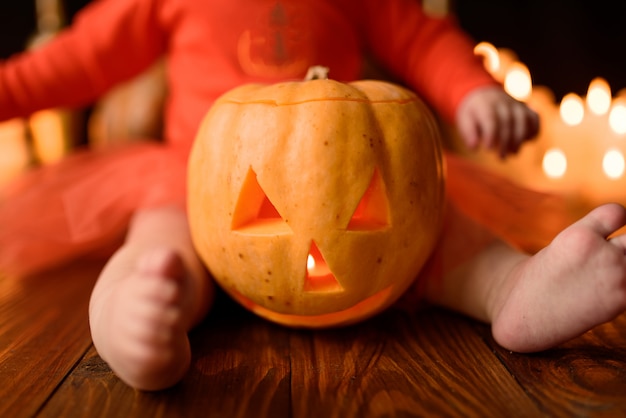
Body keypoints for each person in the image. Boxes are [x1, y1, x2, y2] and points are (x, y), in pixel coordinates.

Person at [0, 0, 624, 391]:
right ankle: (125, 316)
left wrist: (473, 92)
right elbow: (76, 59)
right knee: (161, 246)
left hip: (352, 168)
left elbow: (420, 36)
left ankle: (513, 290)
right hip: (201, 175)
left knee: (436, 231)